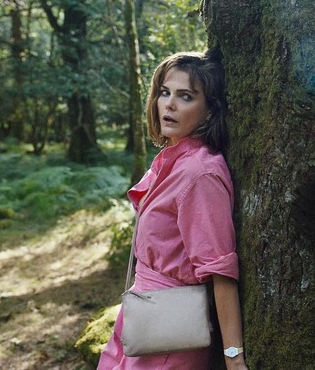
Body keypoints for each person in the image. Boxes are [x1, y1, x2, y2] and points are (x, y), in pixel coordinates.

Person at [98, 48, 248, 370]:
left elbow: (220, 270)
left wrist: (234, 358)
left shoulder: (200, 174)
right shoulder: (172, 159)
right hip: (140, 315)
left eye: (185, 96)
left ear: (209, 111)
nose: (169, 104)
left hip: (170, 332)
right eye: (165, 93)